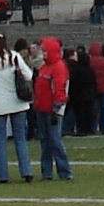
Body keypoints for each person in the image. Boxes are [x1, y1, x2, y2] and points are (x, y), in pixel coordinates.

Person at [0, 34, 35, 183]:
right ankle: (26, 171)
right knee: (20, 138)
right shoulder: (14, 56)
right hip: (17, 102)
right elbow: (29, 75)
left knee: (0, 140)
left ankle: (3, 175)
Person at [32, 37, 73, 180]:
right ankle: (47, 171)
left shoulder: (58, 67)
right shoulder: (46, 66)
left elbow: (60, 89)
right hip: (42, 108)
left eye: (44, 50)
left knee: (54, 140)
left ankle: (64, 171)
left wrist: (56, 108)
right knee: (45, 141)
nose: (42, 53)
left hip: (51, 110)